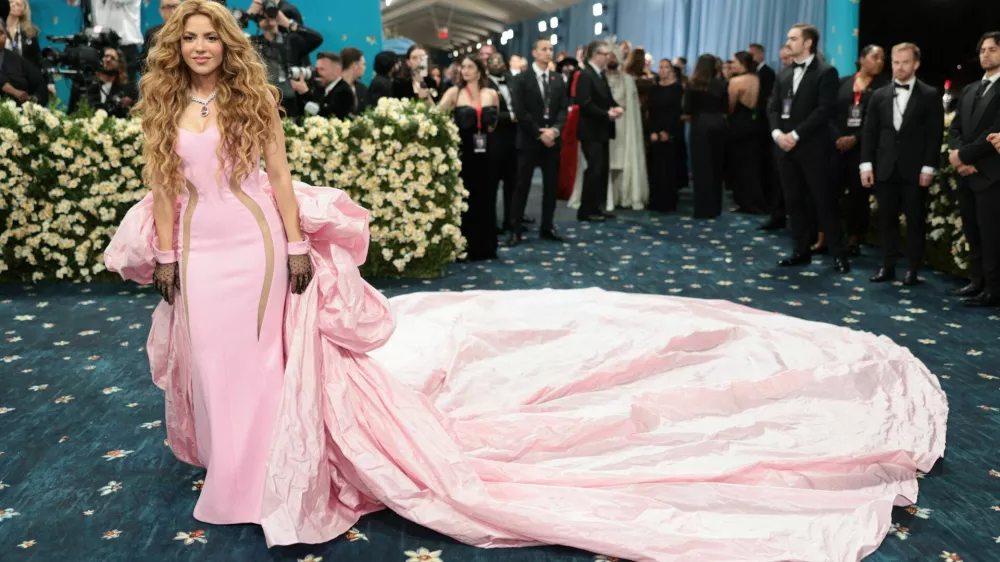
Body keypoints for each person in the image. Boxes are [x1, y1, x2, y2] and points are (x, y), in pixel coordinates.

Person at [102, 5, 948, 559]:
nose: (202, 47)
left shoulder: (253, 104)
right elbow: (168, 185)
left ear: (229, 46)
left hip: (255, 250)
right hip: (199, 256)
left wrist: (293, 242)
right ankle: (229, 461)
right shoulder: (164, 107)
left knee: (256, 364)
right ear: (177, 49)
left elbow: (279, 181)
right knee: (210, 365)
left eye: (212, 36)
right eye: (191, 38)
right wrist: (168, 258)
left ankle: (256, 479)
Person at [768, 24, 850, 274]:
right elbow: (772, 107)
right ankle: (800, 251)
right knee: (794, 202)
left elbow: (824, 110)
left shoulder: (826, 72)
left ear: (808, 43)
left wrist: (795, 134)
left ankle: (838, 255)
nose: (788, 42)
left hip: (814, 150)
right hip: (786, 149)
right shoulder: (782, 74)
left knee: (824, 202)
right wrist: (777, 133)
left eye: (792, 38)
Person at [860, 43, 943, 286]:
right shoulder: (879, 95)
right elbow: (870, 133)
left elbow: (934, 135)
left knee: (915, 221)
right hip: (885, 168)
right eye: (896, 62)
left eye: (905, 62)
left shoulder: (929, 94)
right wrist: (866, 165)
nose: (899, 67)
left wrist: (929, 167)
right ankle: (887, 266)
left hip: (915, 171)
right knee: (886, 221)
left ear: (916, 64)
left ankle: (913, 270)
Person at [815, 45, 886, 257]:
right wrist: (838, 137)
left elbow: (880, 122)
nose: (880, 62)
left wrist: (855, 139)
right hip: (836, 147)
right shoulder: (843, 82)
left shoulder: (884, 88)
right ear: (862, 59)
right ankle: (823, 237)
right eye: (875, 57)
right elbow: (828, 113)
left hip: (862, 150)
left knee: (858, 197)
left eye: (883, 58)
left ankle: (854, 239)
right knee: (829, 194)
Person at [946, 31, 1000, 307]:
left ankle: (993, 288)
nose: (985, 54)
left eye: (992, 49)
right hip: (966, 174)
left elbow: (995, 132)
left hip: (991, 174)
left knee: (992, 235)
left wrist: (963, 157)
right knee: (972, 230)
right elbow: (955, 128)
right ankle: (977, 281)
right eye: (982, 50)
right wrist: (956, 154)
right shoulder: (969, 89)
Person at [436, 55, 500, 261]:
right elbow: (436, 115)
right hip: (464, 155)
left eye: (470, 67)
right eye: (463, 67)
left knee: (488, 198)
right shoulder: (454, 93)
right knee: (466, 199)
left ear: (479, 71)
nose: (465, 70)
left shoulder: (491, 94)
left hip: (487, 154)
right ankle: (465, 245)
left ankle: (487, 246)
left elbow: (493, 124)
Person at [507, 36, 567, 245]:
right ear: (534, 53)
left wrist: (555, 131)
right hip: (529, 140)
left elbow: (562, 109)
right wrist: (539, 133)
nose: (548, 52)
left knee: (551, 186)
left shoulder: (558, 79)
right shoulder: (522, 79)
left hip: (552, 140)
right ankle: (514, 229)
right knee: (522, 185)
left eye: (550, 49)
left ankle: (547, 227)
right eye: (543, 49)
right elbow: (520, 110)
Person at [573, 40, 623, 221]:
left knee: (601, 170)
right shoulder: (585, 75)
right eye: (605, 54)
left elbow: (607, 98)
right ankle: (586, 210)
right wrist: (606, 114)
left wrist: (616, 107)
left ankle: (596, 207)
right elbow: (585, 103)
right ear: (595, 56)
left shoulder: (600, 75)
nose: (608, 58)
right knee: (594, 169)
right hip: (591, 131)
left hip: (602, 130)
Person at [684, 53, 728, 219]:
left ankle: (702, 209)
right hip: (718, 124)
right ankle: (716, 207)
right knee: (717, 167)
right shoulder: (722, 84)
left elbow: (687, 109)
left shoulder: (692, 85)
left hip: (699, 125)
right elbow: (725, 108)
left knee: (700, 168)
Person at [726, 51, 768, 214]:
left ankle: (744, 202)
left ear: (742, 63)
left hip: (738, 125)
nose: (732, 65)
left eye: (734, 62)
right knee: (751, 165)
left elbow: (730, 106)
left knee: (739, 166)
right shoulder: (756, 78)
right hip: (754, 124)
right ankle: (754, 202)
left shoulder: (736, 81)